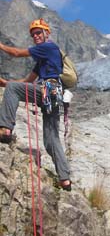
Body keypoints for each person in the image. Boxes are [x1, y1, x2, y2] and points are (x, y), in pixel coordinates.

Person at [0, 18, 71, 191]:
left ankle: (5, 129)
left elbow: (16, 53)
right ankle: (65, 179)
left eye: (39, 33)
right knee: (51, 139)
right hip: (53, 95)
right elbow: (26, 82)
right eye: (33, 34)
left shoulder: (49, 47)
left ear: (47, 33)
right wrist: (4, 83)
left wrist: (1, 46)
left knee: (13, 89)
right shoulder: (43, 60)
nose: (36, 36)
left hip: (47, 90)